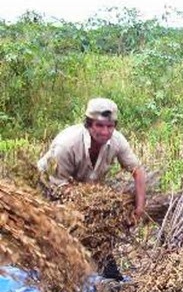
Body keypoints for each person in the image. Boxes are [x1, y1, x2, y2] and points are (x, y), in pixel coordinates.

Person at [37, 98, 146, 280]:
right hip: (48, 186)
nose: (105, 132)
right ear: (88, 124)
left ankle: (109, 275)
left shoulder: (117, 141)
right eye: (100, 126)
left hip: (83, 189)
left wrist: (139, 208)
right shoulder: (66, 145)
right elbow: (59, 187)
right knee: (63, 233)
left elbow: (138, 171)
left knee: (96, 227)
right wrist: (93, 201)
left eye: (110, 126)